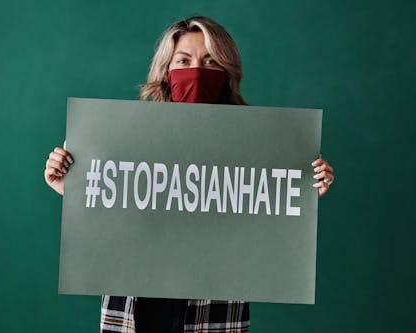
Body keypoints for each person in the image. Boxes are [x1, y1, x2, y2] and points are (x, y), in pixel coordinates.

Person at [44, 15, 335, 333]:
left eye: (211, 61)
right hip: (136, 299)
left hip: (213, 303)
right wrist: (69, 187)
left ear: (226, 73)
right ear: (166, 69)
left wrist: (306, 193)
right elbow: (113, 203)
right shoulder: (128, 134)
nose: (197, 71)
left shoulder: (254, 143)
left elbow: (261, 221)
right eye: (184, 60)